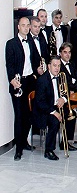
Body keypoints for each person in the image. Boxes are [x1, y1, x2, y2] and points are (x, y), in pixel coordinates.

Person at [6, 17, 42, 160]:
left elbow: (36, 59)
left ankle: (25, 142)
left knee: (29, 115)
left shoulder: (31, 41)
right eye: (23, 25)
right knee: (19, 116)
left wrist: (37, 70)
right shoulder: (11, 43)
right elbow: (9, 64)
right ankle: (18, 149)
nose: (26, 28)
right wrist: (12, 80)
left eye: (28, 25)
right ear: (18, 27)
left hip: (30, 82)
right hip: (18, 83)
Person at [33, 56, 77, 160]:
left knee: (72, 116)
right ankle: (48, 150)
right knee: (55, 121)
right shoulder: (42, 80)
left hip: (56, 105)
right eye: (54, 65)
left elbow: (66, 92)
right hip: (44, 110)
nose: (57, 68)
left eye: (59, 66)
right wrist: (54, 112)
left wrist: (63, 99)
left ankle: (65, 143)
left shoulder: (61, 76)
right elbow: (40, 102)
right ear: (49, 66)